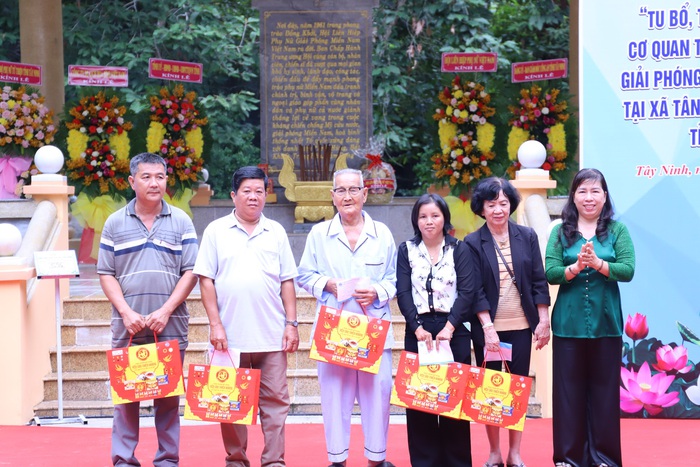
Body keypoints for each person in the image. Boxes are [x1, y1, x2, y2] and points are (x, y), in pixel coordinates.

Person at [193, 166, 299, 467]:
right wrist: (215, 325)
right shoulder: (216, 231)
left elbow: (287, 281)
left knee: (276, 404)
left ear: (266, 194)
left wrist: (291, 324)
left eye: (259, 191)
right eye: (247, 191)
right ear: (233, 195)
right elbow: (206, 281)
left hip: (272, 335)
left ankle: (274, 461)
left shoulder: (276, 231)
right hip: (230, 336)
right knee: (228, 400)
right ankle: (236, 459)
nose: (254, 197)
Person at [98, 152, 199, 466]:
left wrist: (166, 310)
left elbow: (192, 271)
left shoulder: (182, 220)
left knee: (168, 397)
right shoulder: (115, 222)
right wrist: (126, 312)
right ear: (132, 181)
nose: (154, 183)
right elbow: (105, 273)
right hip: (127, 326)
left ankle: (168, 458)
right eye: (146, 177)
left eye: (160, 176)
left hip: (169, 324)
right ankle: (124, 459)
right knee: (126, 397)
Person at [296, 168, 397, 467]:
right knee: (334, 397)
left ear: (365, 194)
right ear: (332, 196)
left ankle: (376, 459)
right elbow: (303, 274)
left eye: (354, 190)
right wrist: (328, 284)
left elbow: (394, 278)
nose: (348, 196)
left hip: (374, 327)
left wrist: (378, 291)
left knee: (377, 397)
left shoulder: (383, 234)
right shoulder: (319, 234)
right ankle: (337, 459)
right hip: (333, 329)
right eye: (341, 190)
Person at [545, 168, 635, 467]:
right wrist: (574, 268)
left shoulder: (617, 231)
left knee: (604, 395)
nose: (589, 197)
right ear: (573, 196)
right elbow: (551, 272)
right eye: (582, 191)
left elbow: (628, 269)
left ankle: (604, 458)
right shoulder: (560, 231)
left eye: (595, 191)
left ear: (605, 196)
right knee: (568, 395)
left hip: (606, 324)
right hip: (567, 326)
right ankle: (569, 459)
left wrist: (597, 263)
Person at [465, 177, 551, 467]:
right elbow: (474, 289)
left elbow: (539, 280)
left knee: (517, 388)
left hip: (521, 326)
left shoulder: (526, 235)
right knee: (491, 389)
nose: (498, 209)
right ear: (482, 208)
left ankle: (515, 452)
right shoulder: (473, 242)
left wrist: (543, 319)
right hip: (489, 329)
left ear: (511, 204)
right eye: (492, 204)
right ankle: (494, 451)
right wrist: (488, 328)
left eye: (503, 203)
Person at [396, 193, 475, 467]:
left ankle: (456, 461)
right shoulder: (406, 249)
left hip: (453, 329)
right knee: (421, 400)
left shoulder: (459, 249)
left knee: (454, 401)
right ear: (416, 220)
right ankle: (425, 461)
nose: (429, 221)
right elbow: (403, 292)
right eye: (423, 216)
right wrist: (415, 326)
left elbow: (467, 292)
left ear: (445, 218)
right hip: (418, 331)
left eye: (435, 215)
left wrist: (450, 326)